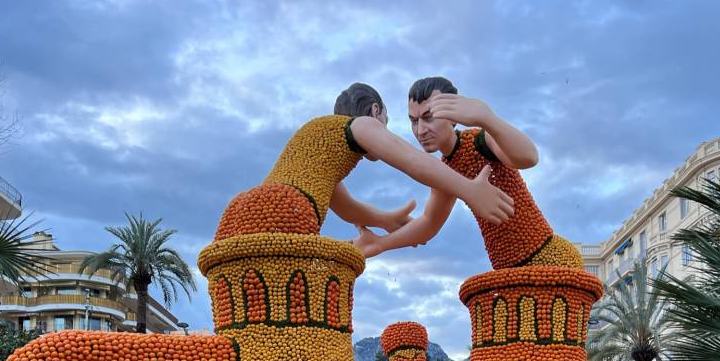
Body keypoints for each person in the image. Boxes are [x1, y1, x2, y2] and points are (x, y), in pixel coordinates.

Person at [210, 83, 514, 252]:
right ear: (376, 111)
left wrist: (383, 219)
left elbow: (346, 208)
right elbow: (412, 161)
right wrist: (469, 190)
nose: (385, 131)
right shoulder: (363, 125)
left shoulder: (321, 151)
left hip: (241, 210)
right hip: (285, 210)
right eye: (390, 123)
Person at [353, 76, 581, 270]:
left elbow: (528, 157)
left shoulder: (481, 140)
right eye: (414, 121)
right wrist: (381, 243)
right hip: (508, 271)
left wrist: (487, 118)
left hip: (548, 260)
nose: (420, 130)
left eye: (429, 117)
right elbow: (428, 223)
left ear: (453, 115)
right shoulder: (444, 171)